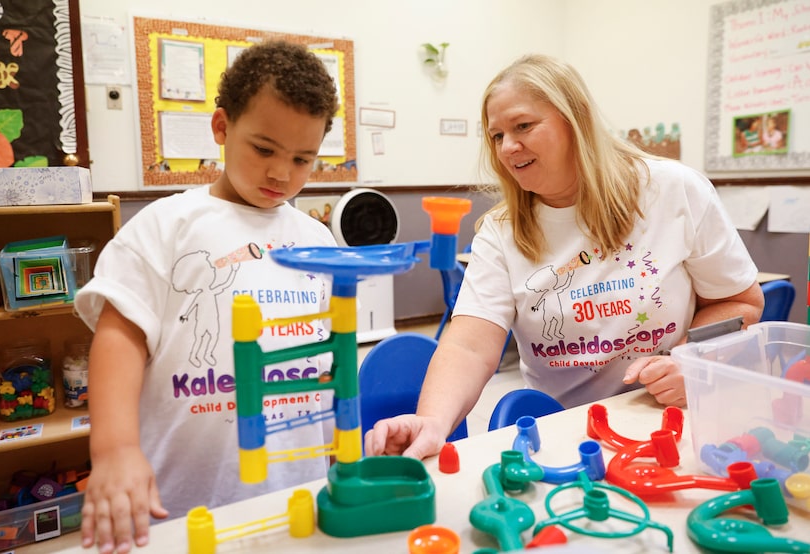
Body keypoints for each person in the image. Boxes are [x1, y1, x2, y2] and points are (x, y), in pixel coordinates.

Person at [364, 53, 763, 461]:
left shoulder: (673, 191)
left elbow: (740, 301)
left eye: (522, 126)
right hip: (566, 435)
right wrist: (432, 422)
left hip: (670, 420)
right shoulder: (501, 231)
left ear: (577, 121)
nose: (508, 147)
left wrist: (691, 363)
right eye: (497, 135)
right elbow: (469, 345)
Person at [73, 41, 339, 553]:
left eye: (302, 158)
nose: (281, 174)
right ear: (222, 128)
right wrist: (114, 450)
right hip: (181, 505)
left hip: (294, 496)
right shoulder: (165, 225)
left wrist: (332, 455)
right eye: (264, 149)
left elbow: (326, 356)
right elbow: (119, 336)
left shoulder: (316, 239)